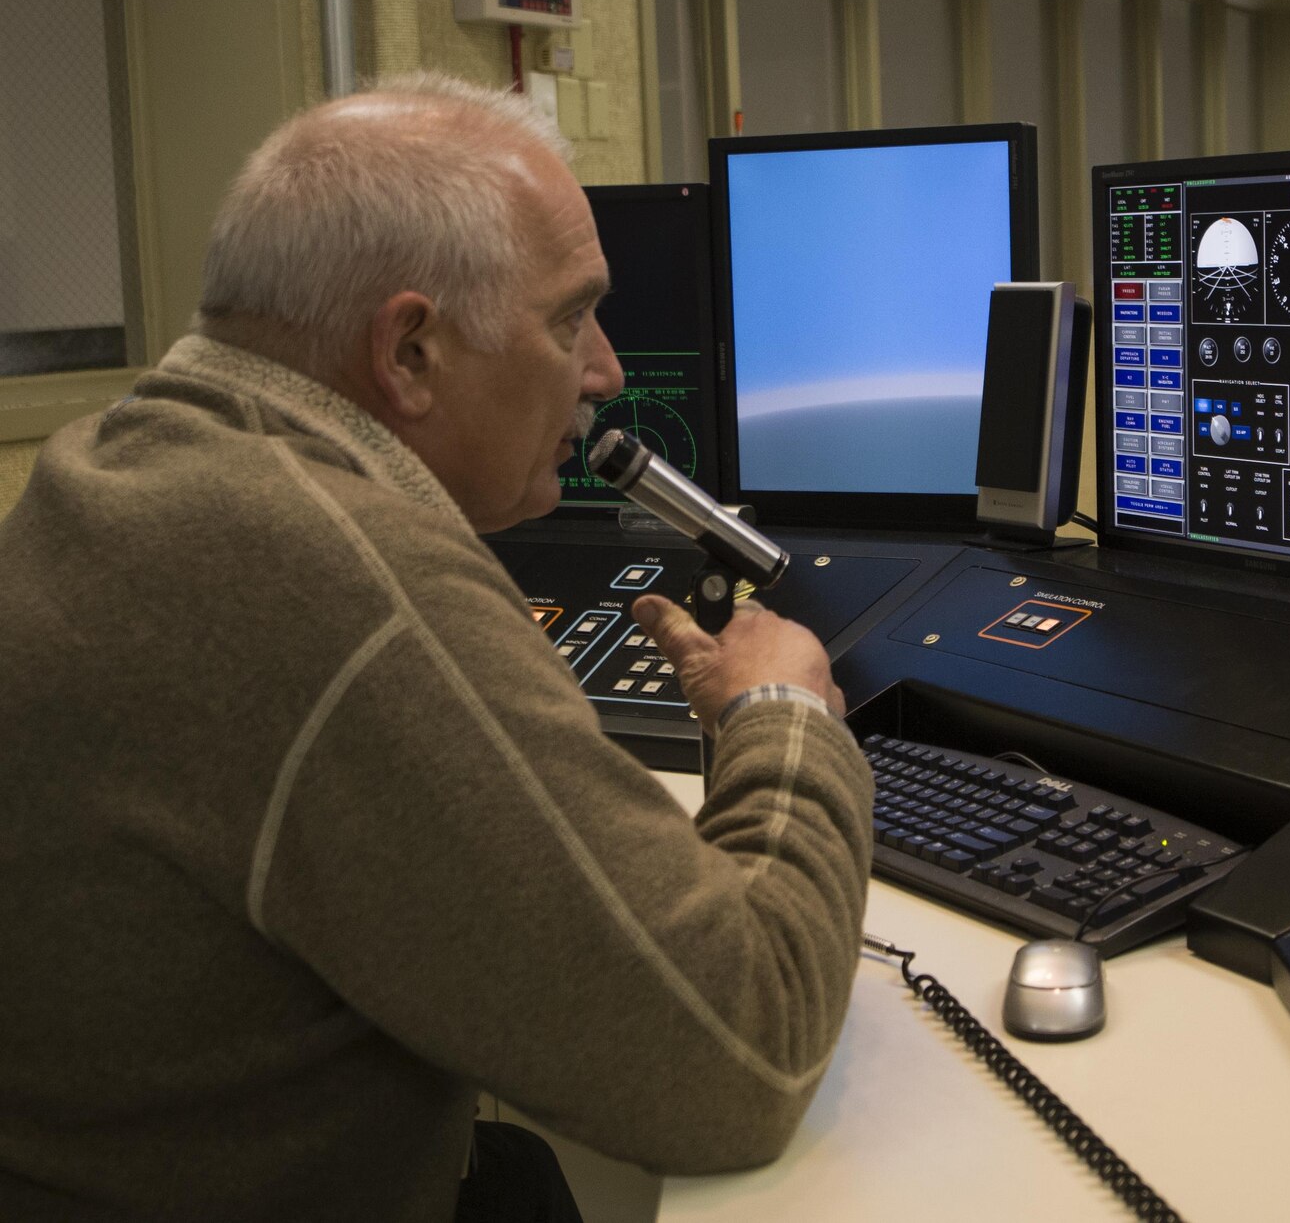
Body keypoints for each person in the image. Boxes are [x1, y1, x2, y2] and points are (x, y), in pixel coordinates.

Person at [0, 74, 874, 1221]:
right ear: (408, 352)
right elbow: (738, 1051)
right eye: (570, 318)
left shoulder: (113, 468)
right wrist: (784, 718)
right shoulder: (338, 577)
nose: (605, 371)